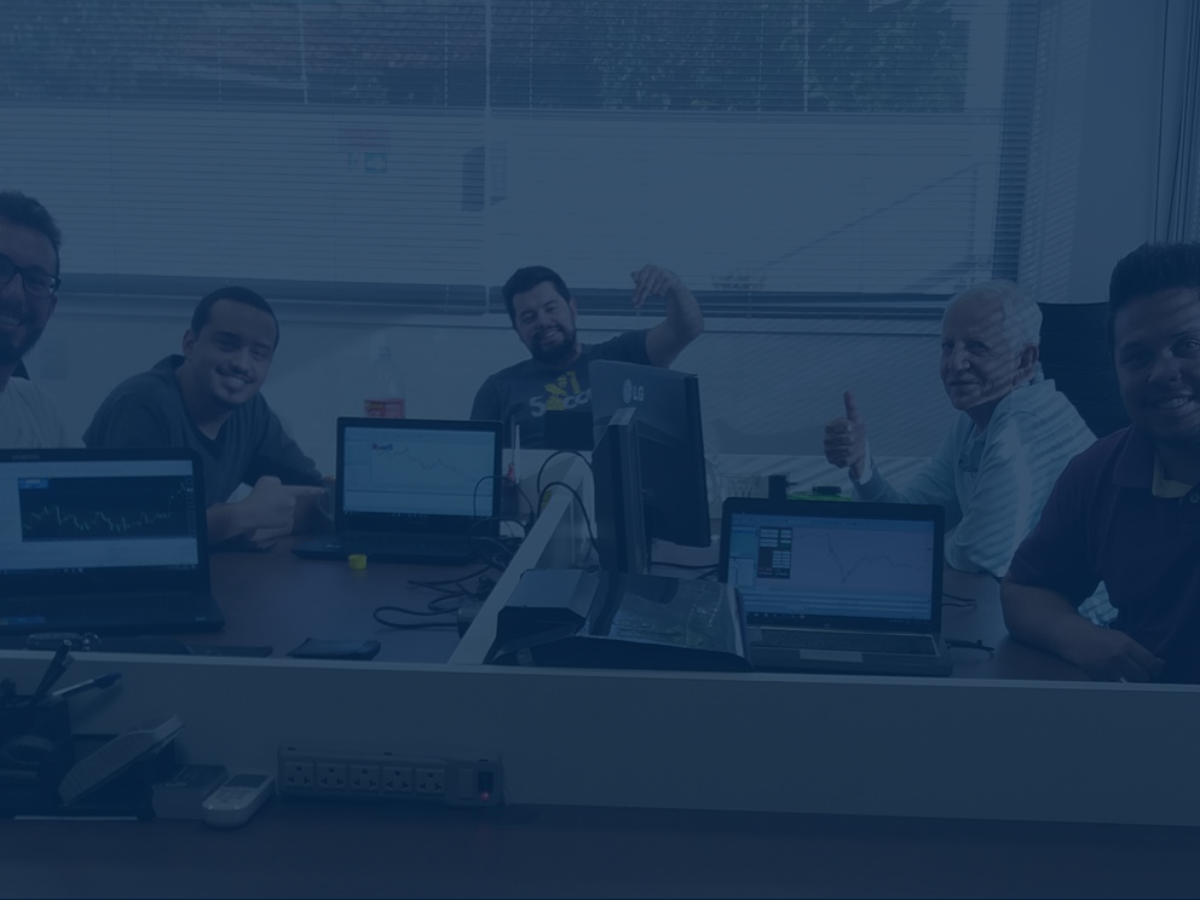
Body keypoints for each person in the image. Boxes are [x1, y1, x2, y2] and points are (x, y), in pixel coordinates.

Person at [823, 280, 1103, 600]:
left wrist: (903, 552)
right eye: (948, 346)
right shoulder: (971, 423)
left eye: (977, 346)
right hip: (1023, 604)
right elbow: (910, 519)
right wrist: (862, 468)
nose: (954, 364)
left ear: (1025, 360)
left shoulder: (1025, 422)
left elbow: (979, 558)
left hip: (1083, 620)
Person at [1002, 242, 1200, 683]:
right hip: (1144, 716)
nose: (1163, 372)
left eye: (1187, 345)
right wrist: (1077, 635)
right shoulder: (1098, 472)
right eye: (1138, 357)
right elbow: (1024, 589)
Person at [84, 286, 328, 545]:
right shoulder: (141, 406)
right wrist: (240, 517)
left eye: (258, 354)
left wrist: (244, 525)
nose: (242, 364)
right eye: (227, 345)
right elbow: (133, 532)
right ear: (190, 345)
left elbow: (319, 496)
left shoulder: (251, 410)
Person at [470, 263, 704, 448]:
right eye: (529, 317)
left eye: (551, 308)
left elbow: (685, 329)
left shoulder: (621, 355)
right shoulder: (499, 389)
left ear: (572, 308)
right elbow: (478, 466)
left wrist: (674, 285)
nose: (544, 322)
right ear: (518, 331)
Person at [0, 191, 72, 448]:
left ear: (50, 308)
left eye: (35, 280)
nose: (14, 294)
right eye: (1, 269)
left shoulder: (44, 415)